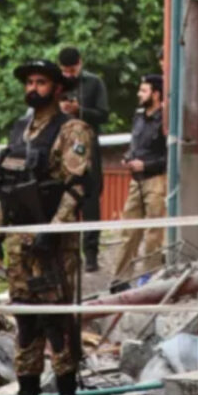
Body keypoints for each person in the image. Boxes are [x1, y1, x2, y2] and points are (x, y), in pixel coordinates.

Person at [0, 58, 93, 395]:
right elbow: (7, 188)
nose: (33, 88)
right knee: (26, 322)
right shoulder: (20, 130)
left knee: (57, 320)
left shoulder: (72, 129)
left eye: (41, 82)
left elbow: (76, 187)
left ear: (57, 88)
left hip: (53, 245)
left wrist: (53, 229)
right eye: (29, 82)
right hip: (20, 242)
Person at [57, 46, 110, 273]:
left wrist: (80, 110)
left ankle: (90, 254)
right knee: (63, 200)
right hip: (61, 149)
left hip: (88, 148)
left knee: (90, 201)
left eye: (72, 70)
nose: (69, 75)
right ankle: (66, 254)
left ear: (80, 63)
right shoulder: (55, 84)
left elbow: (104, 115)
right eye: (65, 71)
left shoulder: (94, 83)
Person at [112, 74, 168, 282]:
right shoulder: (138, 117)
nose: (139, 94)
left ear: (156, 94)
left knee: (154, 234)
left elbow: (170, 156)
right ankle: (120, 279)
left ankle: (149, 279)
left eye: (144, 90)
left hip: (156, 180)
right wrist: (128, 157)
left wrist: (146, 165)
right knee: (129, 232)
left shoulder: (165, 120)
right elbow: (134, 145)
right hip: (136, 181)